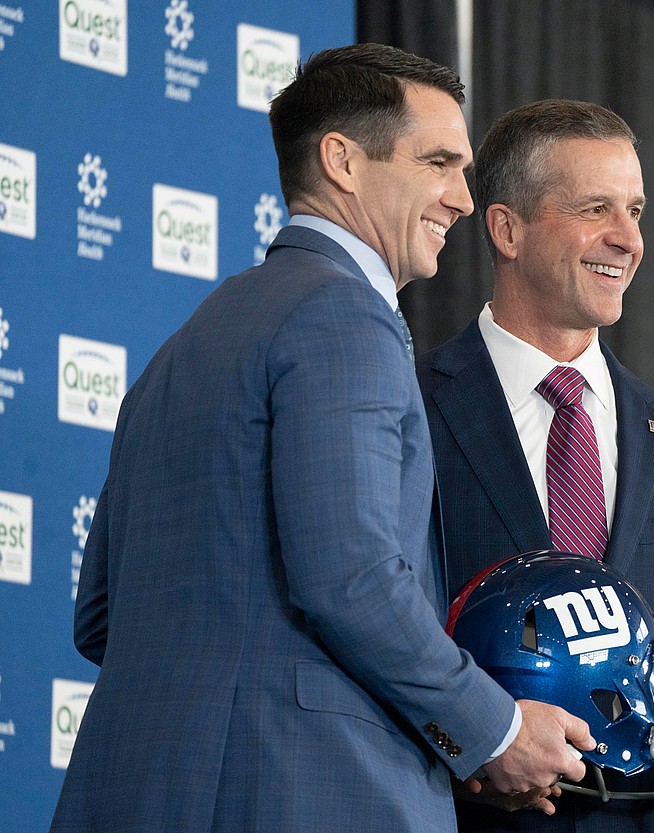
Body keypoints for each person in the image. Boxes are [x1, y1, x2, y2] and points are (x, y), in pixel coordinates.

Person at [50, 46, 594, 833]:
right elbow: (354, 577)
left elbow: (99, 615)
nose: (464, 199)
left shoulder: (181, 348)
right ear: (342, 161)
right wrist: (493, 730)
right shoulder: (345, 317)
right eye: (439, 162)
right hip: (302, 794)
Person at [415, 99, 654, 831]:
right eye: (596, 208)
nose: (629, 239)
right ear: (507, 228)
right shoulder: (410, 407)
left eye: (637, 210)